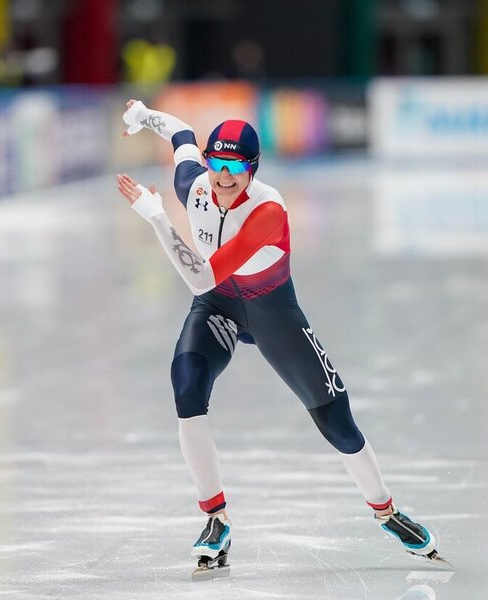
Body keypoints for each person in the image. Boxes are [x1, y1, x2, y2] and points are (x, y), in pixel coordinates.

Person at [116, 100, 449, 573]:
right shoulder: (193, 183)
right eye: (216, 163)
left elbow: (200, 277)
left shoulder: (267, 212)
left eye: (235, 167)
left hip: (271, 312)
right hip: (220, 308)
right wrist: (144, 113)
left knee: (335, 420)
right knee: (186, 384)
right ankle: (216, 518)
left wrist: (156, 217)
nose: (223, 176)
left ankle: (387, 512)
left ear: (252, 171)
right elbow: (181, 131)